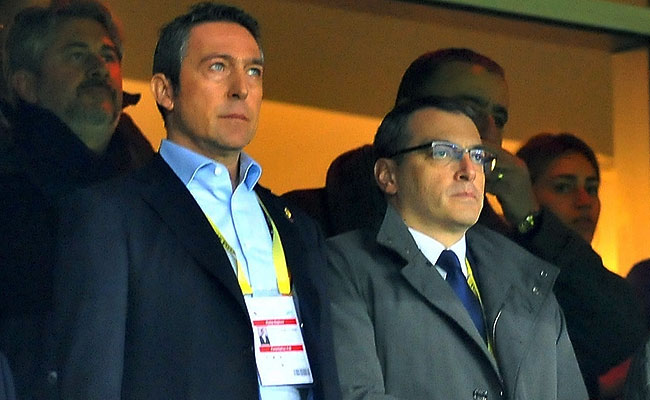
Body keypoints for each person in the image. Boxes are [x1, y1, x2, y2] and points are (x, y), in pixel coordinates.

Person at [288, 48, 645, 397]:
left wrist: (533, 222)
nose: (486, 130)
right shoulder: (313, 232)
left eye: (498, 118)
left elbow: (618, 334)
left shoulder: (519, 263)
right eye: (466, 110)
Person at [53, 3, 340, 399]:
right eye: (218, 67)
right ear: (165, 91)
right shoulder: (110, 216)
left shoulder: (297, 227)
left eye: (253, 71)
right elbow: (90, 380)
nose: (241, 88)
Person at [326, 95, 587, 399]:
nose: (468, 170)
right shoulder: (344, 266)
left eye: (477, 156)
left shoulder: (528, 277)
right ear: (388, 176)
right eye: (443, 152)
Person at [0, 1, 153, 398]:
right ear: (26, 85)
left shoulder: (161, 198)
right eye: (76, 54)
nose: (99, 67)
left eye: (108, 55)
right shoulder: (8, 198)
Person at [516, 133, 646, 397]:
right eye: (563, 187)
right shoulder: (510, 281)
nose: (584, 201)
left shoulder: (603, 287)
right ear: (525, 194)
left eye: (592, 188)